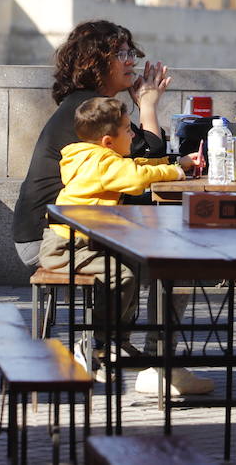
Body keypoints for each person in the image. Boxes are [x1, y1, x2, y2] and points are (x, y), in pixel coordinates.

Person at [10, 20, 208, 395]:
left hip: (85, 229)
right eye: (122, 53)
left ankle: (153, 359)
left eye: (131, 52)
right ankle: (150, 360)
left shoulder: (91, 106)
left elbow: (141, 158)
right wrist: (148, 105)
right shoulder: (86, 110)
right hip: (51, 236)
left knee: (169, 258)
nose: (132, 61)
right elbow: (142, 161)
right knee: (176, 260)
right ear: (94, 61)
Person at [38, 97, 195, 380]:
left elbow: (136, 165)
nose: (134, 134)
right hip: (66, 248)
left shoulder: (96, 156)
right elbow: (135, 178)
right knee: (121, 276)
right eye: (128, 130)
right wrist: (175, 171)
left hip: (82, 243)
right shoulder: (101, 163)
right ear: (108, 141)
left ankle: (116, 342)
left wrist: (176, 161)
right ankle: (95, 342)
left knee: (131, 267)